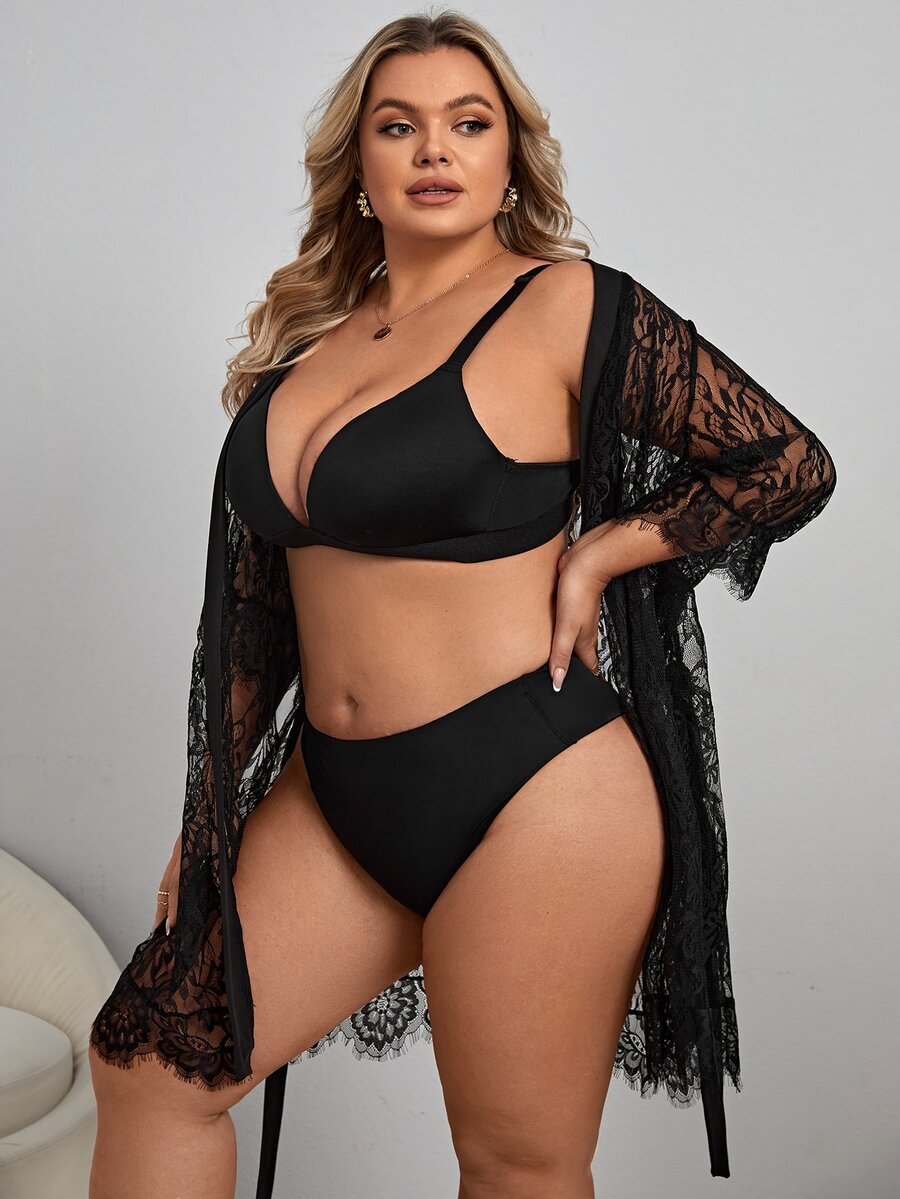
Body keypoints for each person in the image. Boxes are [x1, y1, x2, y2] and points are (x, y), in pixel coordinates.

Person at [86, 11, 837, 1199]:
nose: (435, 148)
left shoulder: (565, 305)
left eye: (468, 123)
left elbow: (785, 461)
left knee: (516, 1166)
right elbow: (257, 616)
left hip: (537, 790)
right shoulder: (310, 350)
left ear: (509, 159)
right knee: (149, 1071)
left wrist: (601, 554)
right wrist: (209, 815)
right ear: (360, 164)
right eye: (400, 126)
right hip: (332, 798)